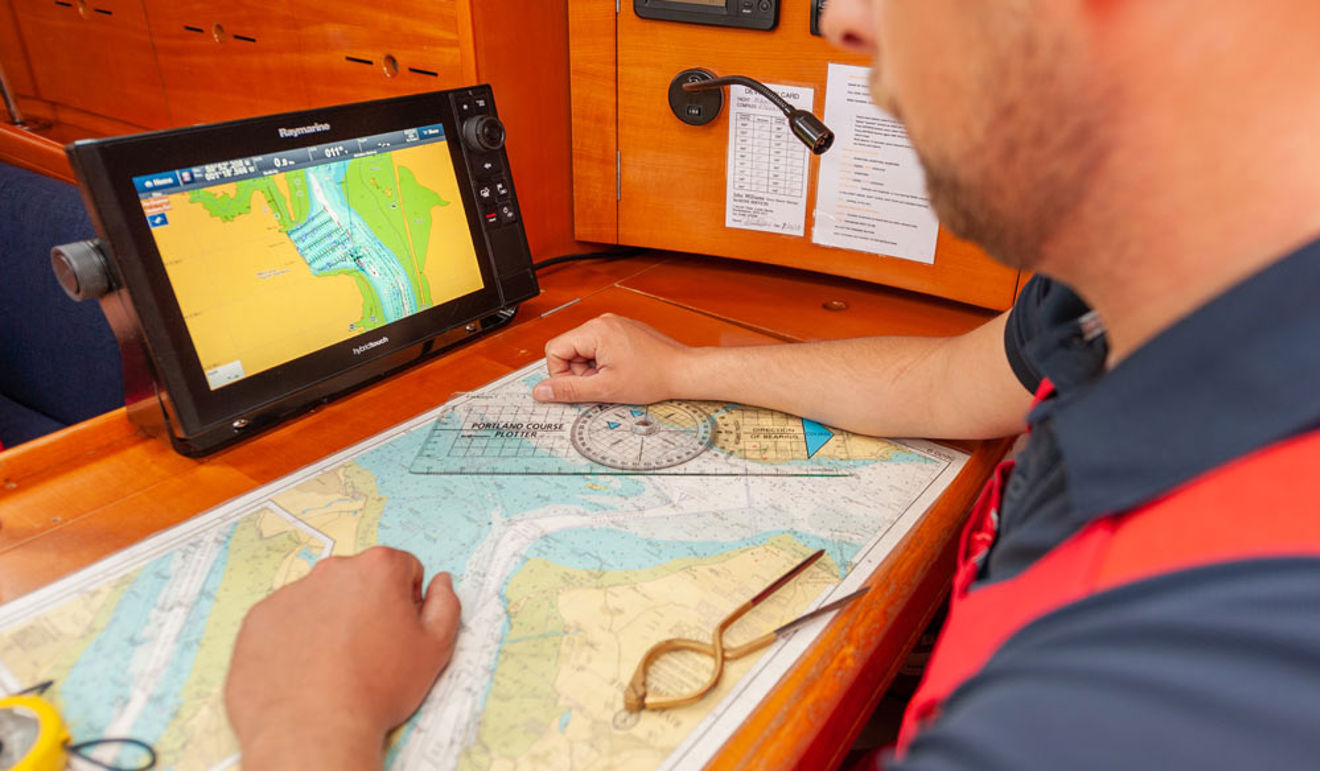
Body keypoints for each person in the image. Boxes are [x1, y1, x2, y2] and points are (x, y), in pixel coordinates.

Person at [225, 0, 1320, 767]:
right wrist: (681, 368)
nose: (845, 18)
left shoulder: (1188, 692)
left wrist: (308, 725)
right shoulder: (1110, 296)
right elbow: (949, 382)